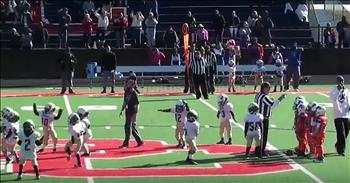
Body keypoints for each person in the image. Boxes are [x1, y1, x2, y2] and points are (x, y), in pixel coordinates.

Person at [255, 82, 286, 156]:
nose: (269, 90)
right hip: (263, 118)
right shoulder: (264, 97)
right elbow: (273, 105)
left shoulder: (259, 95)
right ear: (264, 89)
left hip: (259, 117)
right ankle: (261, 151)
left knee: (260, 135)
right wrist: (281, 98)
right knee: (263, 135)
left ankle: (258, 149)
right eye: (268, 88)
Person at [119, 79, 144, 148]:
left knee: (129, 127)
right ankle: (139, 141)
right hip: (128, 110)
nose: (127, 84)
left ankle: (126, 143)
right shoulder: (126, 92)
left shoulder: (134, 93)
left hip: (133, 111)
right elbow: (125, 102)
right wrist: (122, 110)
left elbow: (137, 105)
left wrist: (135, 115)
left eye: (129, 83)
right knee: (129, 127)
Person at [329, 75, 350, 156]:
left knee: (347, 132)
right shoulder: (334, 90)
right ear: (337, 81)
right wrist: (338, 90)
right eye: (340, 81)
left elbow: (348, 99)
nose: (341, 82)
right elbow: (333, 98)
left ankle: (338, 144)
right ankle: (341, 150)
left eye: (342, 81)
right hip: (338, 114)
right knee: (341, 133)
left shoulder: (346, 90)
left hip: (346, 114)